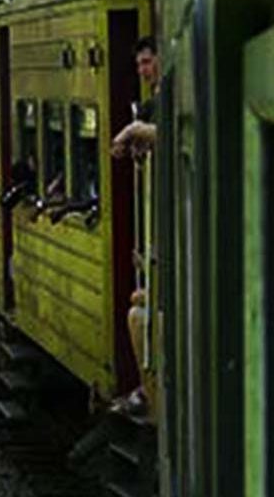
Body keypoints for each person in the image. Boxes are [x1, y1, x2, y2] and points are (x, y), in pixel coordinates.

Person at [110, 36, 160, 419]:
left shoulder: (171, 98)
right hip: (157, 234)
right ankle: (146, 387)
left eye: (148, 62)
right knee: (137, 301)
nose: (144, 70)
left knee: (138, 311)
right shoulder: (154, 101)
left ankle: (150, 392)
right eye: (140, 64)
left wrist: (130, 133)